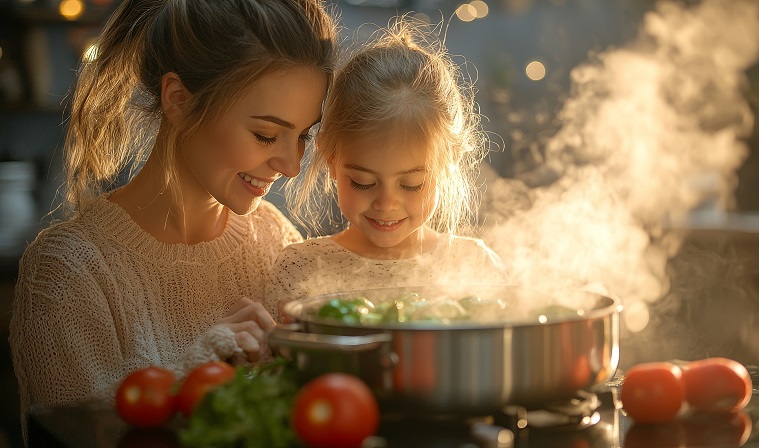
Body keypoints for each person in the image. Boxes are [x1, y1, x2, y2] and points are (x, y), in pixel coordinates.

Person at [9, 0, 337, 437]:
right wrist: (198, 366)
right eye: (265, 134)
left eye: (302, 135)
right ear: (178, 100)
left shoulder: (273, 236)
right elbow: (77, 435)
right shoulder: (68, 272)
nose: (291, 165)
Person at [265, 21, 506, 318]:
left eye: (412, 183)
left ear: (450, 161)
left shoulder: (473, 266)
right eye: (363, 182)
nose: (386, 204)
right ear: (329, 156)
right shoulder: (300, 269)